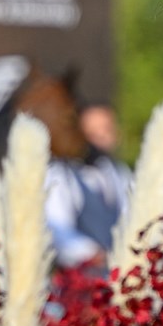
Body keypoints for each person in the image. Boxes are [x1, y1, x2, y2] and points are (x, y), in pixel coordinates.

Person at [45, 102, 133, 271]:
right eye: (92, 133)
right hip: (79, 285)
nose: (100, 137)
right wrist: (93, 254)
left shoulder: (119, 172)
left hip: (119, 278)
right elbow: (57, 230)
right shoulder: (61, 175)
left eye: (106, 130)